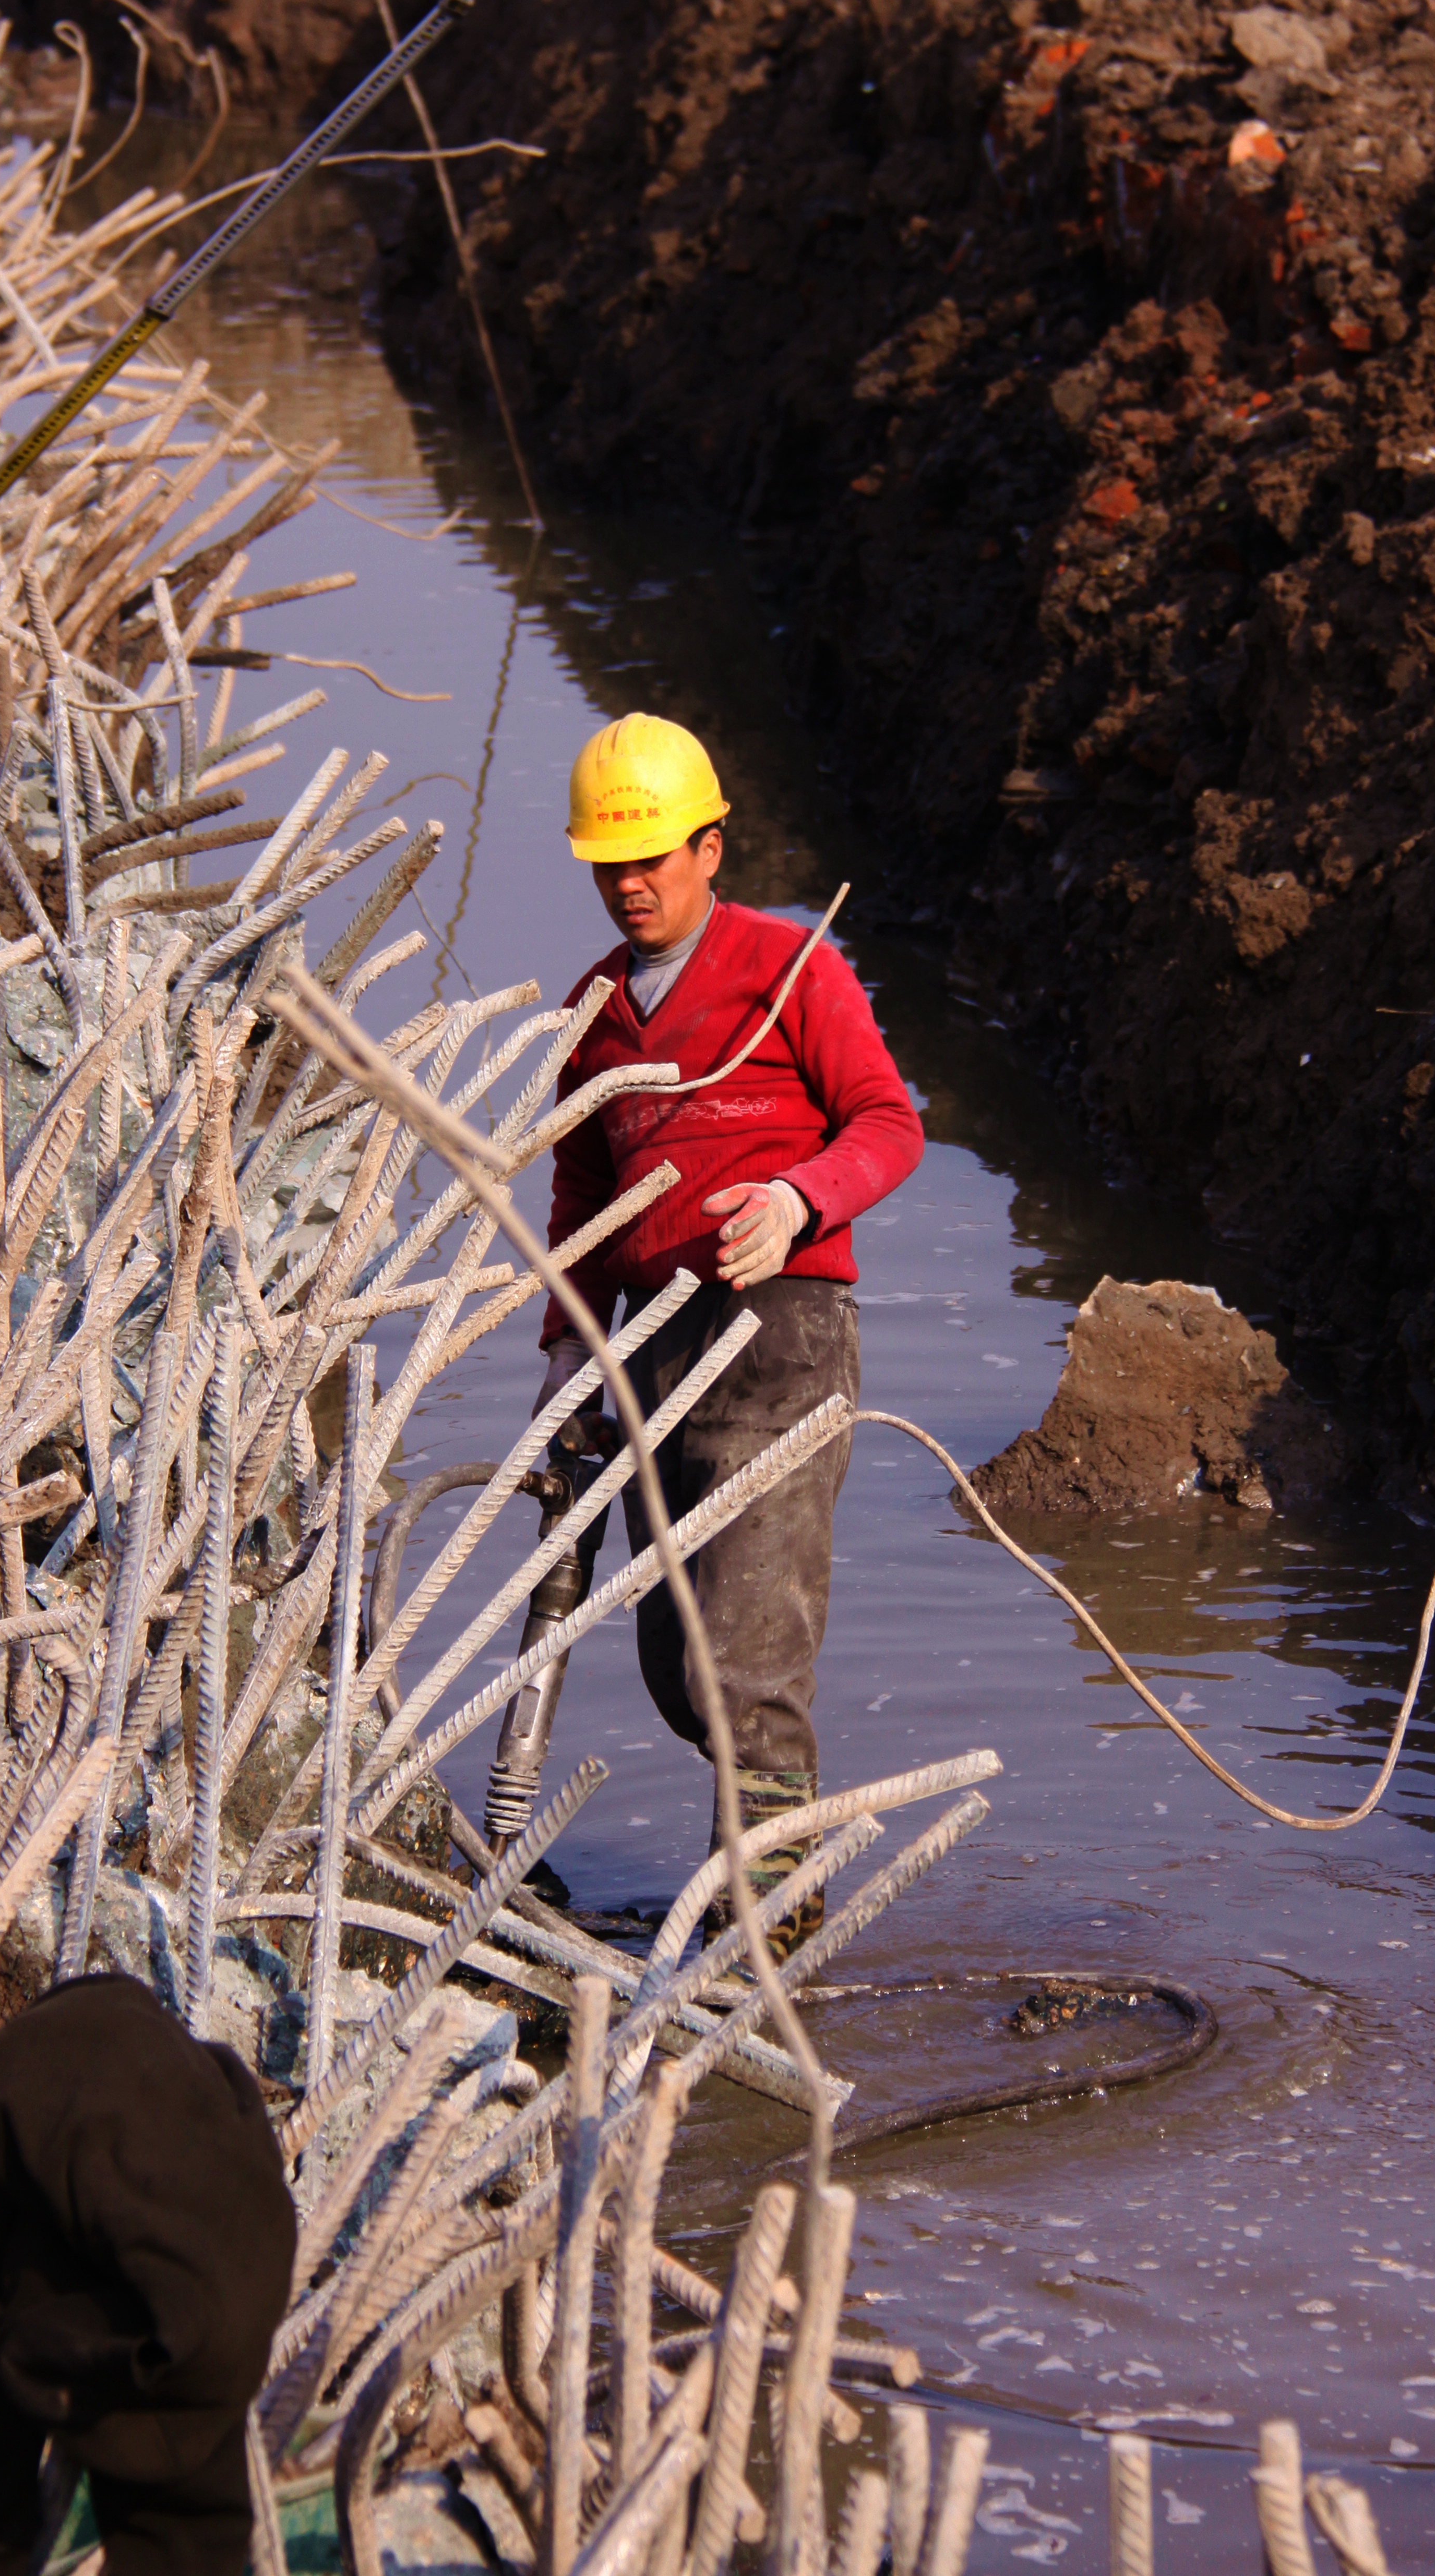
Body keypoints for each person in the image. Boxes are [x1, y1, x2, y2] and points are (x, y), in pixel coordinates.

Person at [535, 713, 925, 1948]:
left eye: (654, 855)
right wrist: (567, 1337)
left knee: (750, 1661)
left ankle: (765, 1942)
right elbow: (583, 1193)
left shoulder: (792, 967)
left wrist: (800, 1196)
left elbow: (888, 1122)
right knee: (677, 1659)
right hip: (650, 1350)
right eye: (611, 862)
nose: (632, 882)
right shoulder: (593, 1007)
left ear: (713, 845)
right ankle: (779, 1833)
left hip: (781, 1337)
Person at [0, 1975, 295, 2576]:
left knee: (191, 2526)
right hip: (11, 2119)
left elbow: (192, 2526)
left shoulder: (235, 2260)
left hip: (150, 2112)